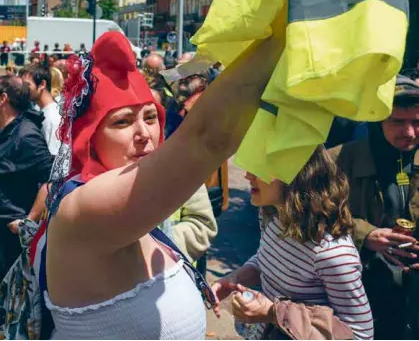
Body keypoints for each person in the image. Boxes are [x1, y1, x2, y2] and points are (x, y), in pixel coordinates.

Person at [37, 30, 283, 339]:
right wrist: (286, 26)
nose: (144, 134)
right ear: (90, 141)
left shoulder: (140, 201)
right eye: (122, 121)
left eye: (151, 117)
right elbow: (209, 139)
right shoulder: (80, 207)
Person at [212, 147, 373, 339]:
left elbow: (360, 334)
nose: (248, 175)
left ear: (297, 175)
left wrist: (272, 313)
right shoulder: (273, 215)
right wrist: (234, 279)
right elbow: (266, 259)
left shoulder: (333, 255)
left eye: (261, 167)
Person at [328, 74, 419, 338]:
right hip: (361, 292)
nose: (410, 132)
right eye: (398, 122)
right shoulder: (338, 161)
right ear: (378, 120)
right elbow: (314, 216)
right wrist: (365, 235)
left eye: (417, 121)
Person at [0, 75, 53, 296]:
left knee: (10, 299)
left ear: (2, 99)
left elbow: (52, 178)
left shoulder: (26, 135)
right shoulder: (2, 129)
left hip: (9, 239)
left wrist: (28, 220)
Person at [20, 64, 62, 155]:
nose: (23, 89)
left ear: (42, 84)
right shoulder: (41, 111)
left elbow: (53, 159)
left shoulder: (52, 118)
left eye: (27, 85)